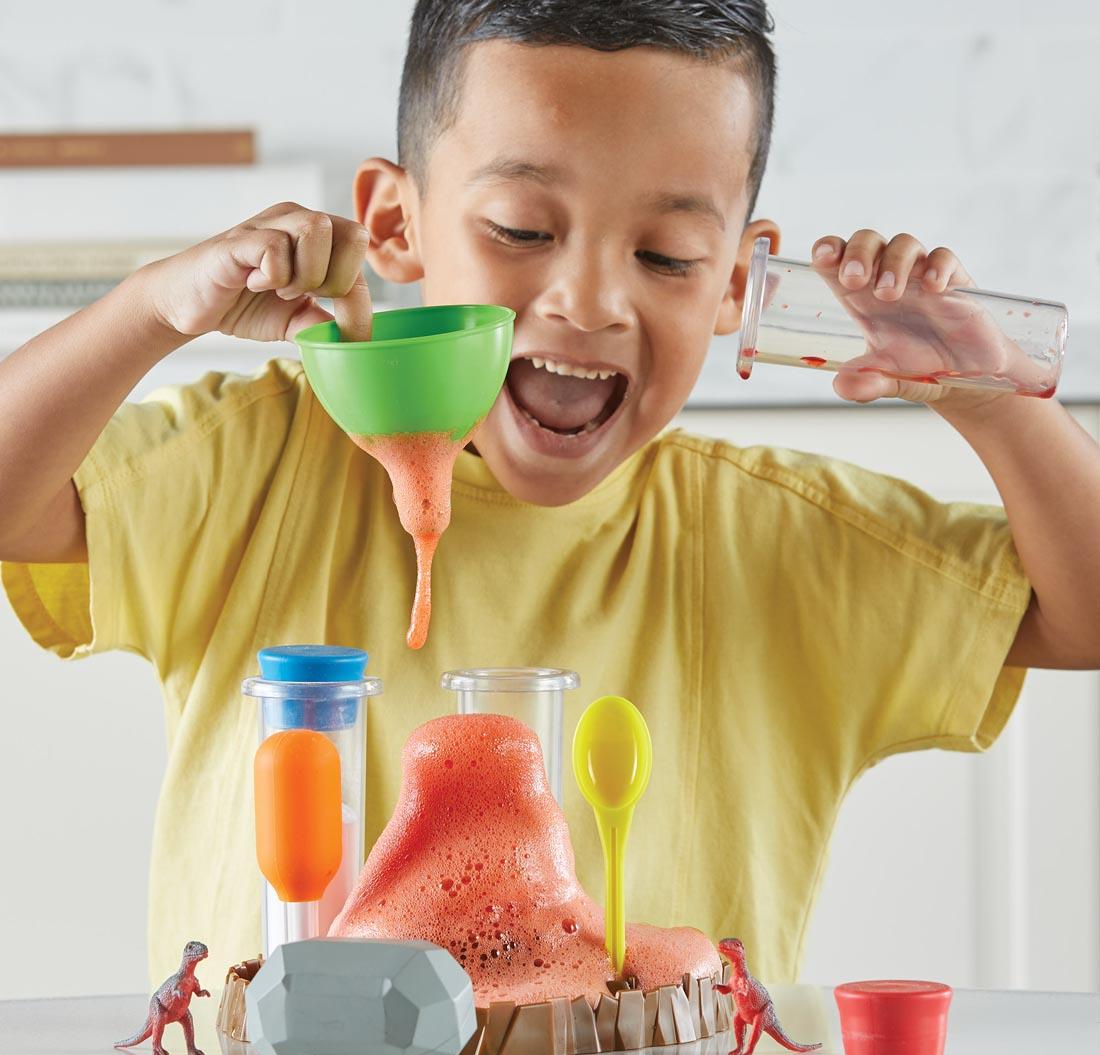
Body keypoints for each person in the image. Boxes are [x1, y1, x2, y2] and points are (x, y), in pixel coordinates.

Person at [2, 0, 1098, 989]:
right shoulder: (257, 468)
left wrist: (992, 401)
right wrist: (151, 309)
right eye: (522, 230)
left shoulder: (772, 537)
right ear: (393, 224)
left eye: (666, 254)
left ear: (733, 283)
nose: (585, 299)